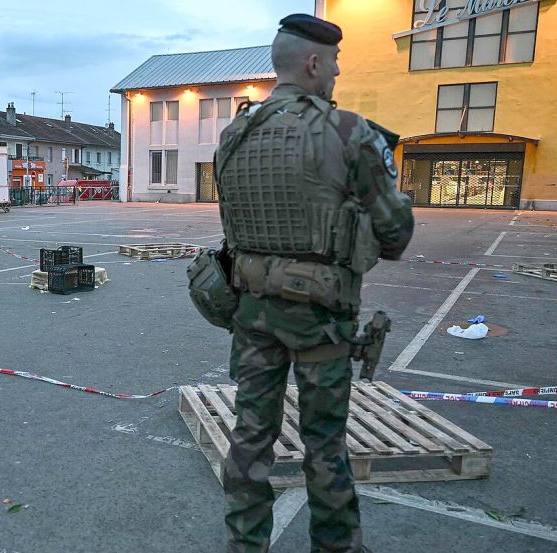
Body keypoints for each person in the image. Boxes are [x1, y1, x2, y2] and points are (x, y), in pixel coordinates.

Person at [215, 14, 415, 553]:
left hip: (252, 311)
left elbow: (233, 228)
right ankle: (335, 547)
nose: (337, 72)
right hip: (321, 319)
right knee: (324, 440)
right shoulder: (349, 131)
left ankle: (244, 543)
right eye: (333, 63)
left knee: (250, 435)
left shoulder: (234, 135)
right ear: (313, 63)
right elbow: (396, 234)